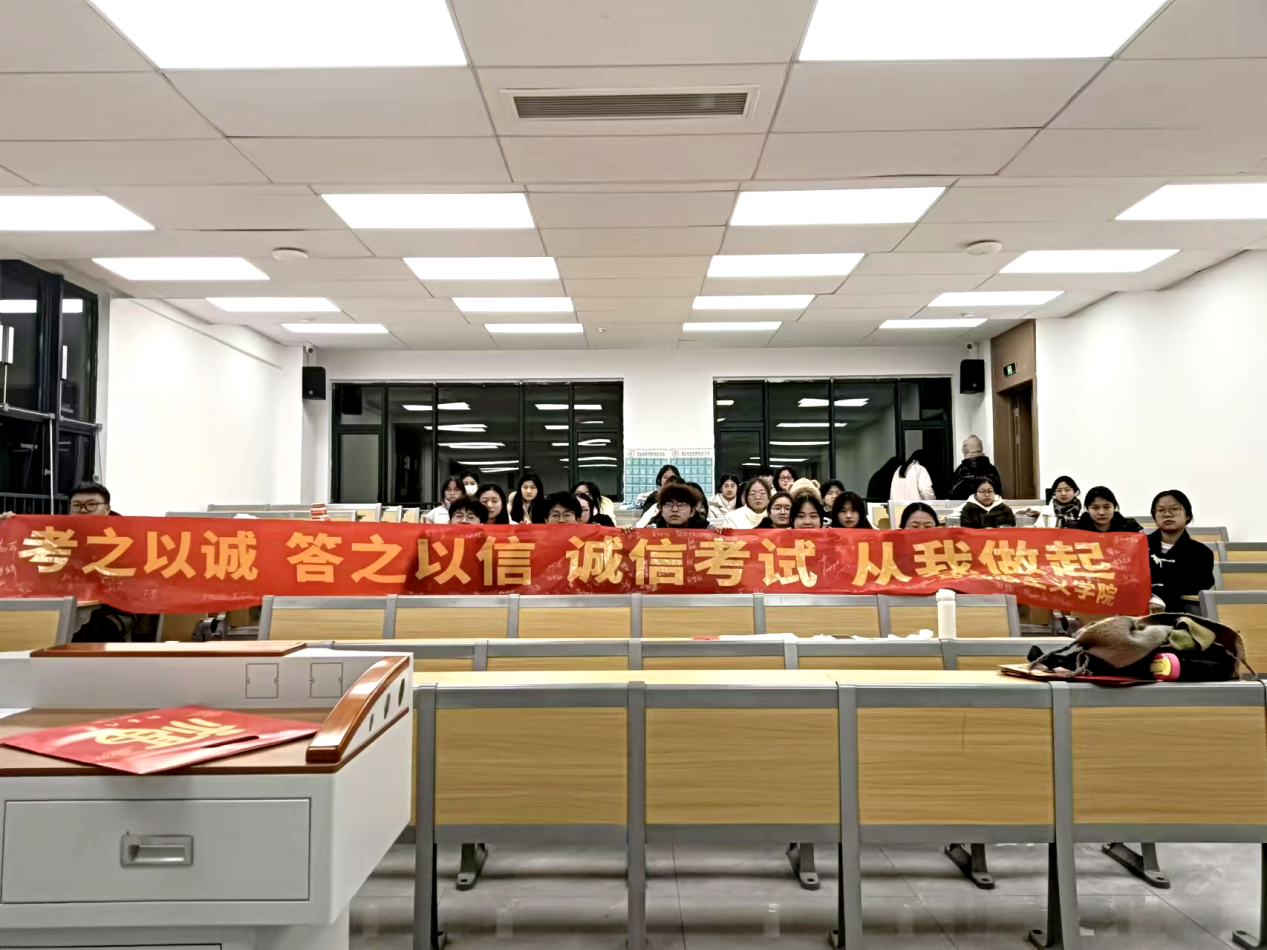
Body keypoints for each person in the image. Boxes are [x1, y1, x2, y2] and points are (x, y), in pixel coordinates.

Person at [1148, 489, 1215, 613]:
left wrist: (1159, 597)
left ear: (1188, 515)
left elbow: (1199, 584)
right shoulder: (1138, 546)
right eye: (1161, 510)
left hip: (1180, 614)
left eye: (1174, 509)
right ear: (1155, 516)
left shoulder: (1201, 553)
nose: (1167, 514)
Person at [948, 435, 1004, 500]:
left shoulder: (962, 469)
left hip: (966, 504)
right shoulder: (992, 469)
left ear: (967, 449)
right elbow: (998, 491)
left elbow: (951, 493)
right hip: (988, 504)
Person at [1076, 486, 1143, 534]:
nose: (1101, 513)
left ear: (1114, 507)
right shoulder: (1077, 530)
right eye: (1095, 508)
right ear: (1087, 509)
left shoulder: (1130, 527)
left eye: (1106, 507)